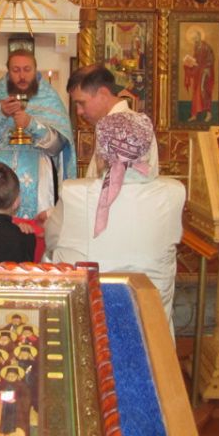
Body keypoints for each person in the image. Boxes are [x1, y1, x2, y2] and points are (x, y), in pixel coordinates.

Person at [43, 112, 185, 338]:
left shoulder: (74, 192)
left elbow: (51, 241)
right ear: (146, 150)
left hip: (89, 324)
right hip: (151, 326)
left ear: (101, 154)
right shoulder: (173, 192)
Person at [0, 49, 76, 220]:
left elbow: (57, 145)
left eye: (27, 69)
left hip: (37, 175)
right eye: (16, 70)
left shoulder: (49, 100)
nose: (22, 76)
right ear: (8, 72)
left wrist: (31, 124)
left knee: (34, 228)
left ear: (35, 70)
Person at [66, 63, 158, 179]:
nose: (79, 111)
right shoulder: (113, 124)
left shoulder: (124, 127)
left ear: (103, 94)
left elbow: (118, 184)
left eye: (82, 103)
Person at [183, 27, 215, 122]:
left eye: (195, 38)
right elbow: (196, 60)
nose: (194, 40)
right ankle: (194, 115)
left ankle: (208, 114)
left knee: (203, 91)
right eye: (193, 39)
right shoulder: (196, 47)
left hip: (205, 72)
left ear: (199, 37)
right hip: (198, 72)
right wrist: (189, 63)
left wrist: (206, 68)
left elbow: (211, 59)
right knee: (196, 92)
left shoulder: (206, 47)